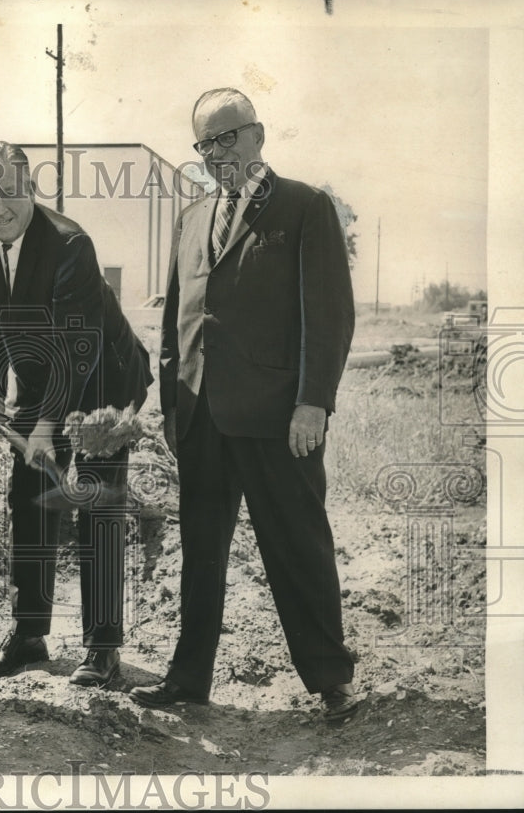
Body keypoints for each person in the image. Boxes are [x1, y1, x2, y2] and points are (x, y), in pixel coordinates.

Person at [130, 88, 359, 721]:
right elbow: (179, 316)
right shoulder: (192, 217)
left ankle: (330, 680)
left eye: (227, 138)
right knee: (201, 556)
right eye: (204, 144)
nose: (216, 154)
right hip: (202, 418)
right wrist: (175, 409)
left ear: (258, 135)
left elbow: (331, 316)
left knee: (297, 545)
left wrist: (313, 403)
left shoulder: (305, 207)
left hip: (279, 421)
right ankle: (188, 679)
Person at [0, 142, 153, 687]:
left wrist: (46, 428)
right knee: (29, 497)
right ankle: (28, 633)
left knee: (96, 499)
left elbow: (76, 349)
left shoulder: (69, 244)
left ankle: (103, 646)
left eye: (10, 191)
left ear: (31, 190)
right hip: (42, 380)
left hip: (103, 378)